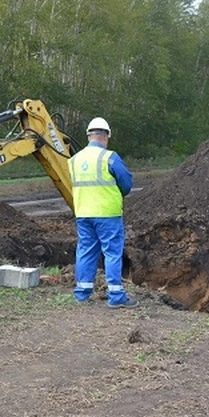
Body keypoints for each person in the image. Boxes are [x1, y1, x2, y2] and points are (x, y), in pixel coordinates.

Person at [69, 117, 136, 308]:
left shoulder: (74, 160)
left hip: (83, 212)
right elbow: (126, 183)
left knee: (86, 251)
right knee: (112, 252)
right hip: (107, 214)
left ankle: (82, 293)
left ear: (89, 136)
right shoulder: (109, 158)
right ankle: (116, 296)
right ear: (105, 136)